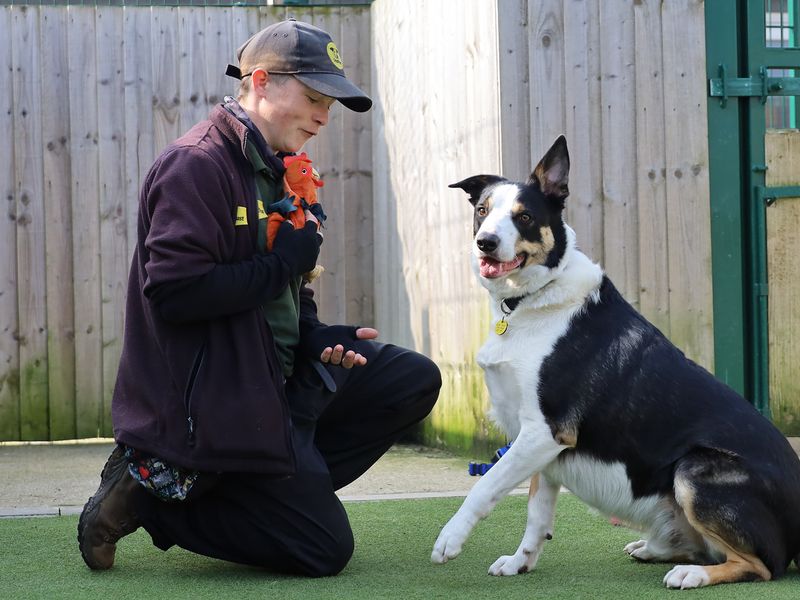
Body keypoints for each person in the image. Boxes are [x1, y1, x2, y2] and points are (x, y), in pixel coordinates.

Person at [77, 18, 441, 577]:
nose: (325, 115)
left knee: (411, 378)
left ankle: (267, 481)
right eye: (315, 97)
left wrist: (316, 334)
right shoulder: (196, 165)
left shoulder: (283, 169)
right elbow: (175, 293)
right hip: (214, 401)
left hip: (273, 381)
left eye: (332, 103)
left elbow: (291, 289)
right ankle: (156, 502)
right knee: (324, 550)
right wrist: (281, 264)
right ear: (263, 82)